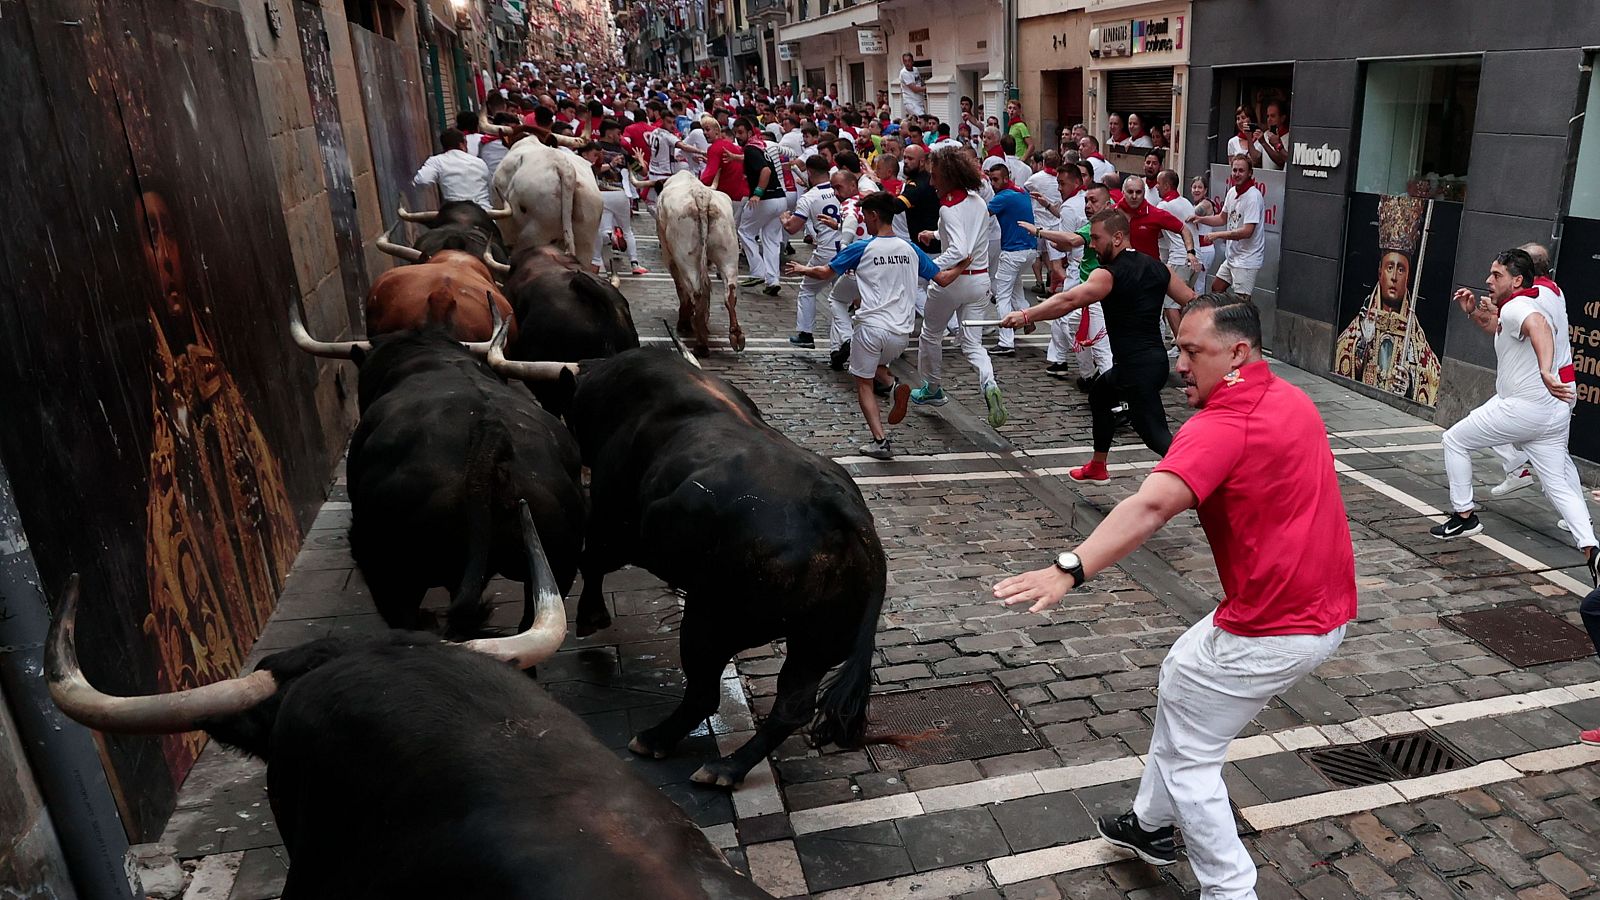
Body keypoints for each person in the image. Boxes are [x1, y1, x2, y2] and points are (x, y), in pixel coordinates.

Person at [993, 297, 1356, 900]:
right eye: (1179, 349)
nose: (1179, 365)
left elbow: (1151, 504)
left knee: (1192, 761)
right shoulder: (1290, 398)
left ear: (1238, 352)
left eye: (1192, 352)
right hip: (1317, 611)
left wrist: (1070, 567)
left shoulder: (1221, 424)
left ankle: (1230, 890)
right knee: (1182, 679)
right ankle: (1150, 824)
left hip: (1272, 626)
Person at [1430, 250, 1600, 586]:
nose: (1488, 281)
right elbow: (1502, 328)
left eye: (1496, 275)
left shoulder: (1521, 306)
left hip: (1523, 407)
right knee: (1559, 485)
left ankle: (1464, 516)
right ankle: (1592, 550)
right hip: (1552, 414)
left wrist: (1545, 371)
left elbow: (1538, 328)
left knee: (1455, 439)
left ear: (1517, 279)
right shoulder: (1526, 301)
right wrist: (1473, 313)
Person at [1001, 208, 1196, 481]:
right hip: (1151, 363)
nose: (1091, 245)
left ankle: (1204, 474)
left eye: (1096, 238)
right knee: (1101, 394)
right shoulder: (1158, 267)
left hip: (1136, 369)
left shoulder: (1108, 275)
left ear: (1117, 238)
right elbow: (1192, 301)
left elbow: (1068, 300)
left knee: (1156, 436)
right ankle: (1098, 464)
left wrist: (1025, 315)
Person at [786, 192, 966, 460]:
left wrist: (802, 269)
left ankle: (880, 440)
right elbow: (942, 278)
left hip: (871, 328)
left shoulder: (862, 247)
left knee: (863, 382)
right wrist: (964, 264)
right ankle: (894, 387)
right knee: (876, 364)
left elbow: (825, 273)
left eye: (865, 216)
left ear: (873, 215)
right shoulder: (910, 249)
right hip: (901, 334)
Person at [911, 147, 1008, 429]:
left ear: (948, 177)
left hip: (953, 281)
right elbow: (967, 234)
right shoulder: (977, 201)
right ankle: (989, 382)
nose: (932, 182)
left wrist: (930, 266)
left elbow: (959, 247)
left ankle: (932, 388)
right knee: (972, 343)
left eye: (935, 177)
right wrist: (935, 233)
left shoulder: (947, 207)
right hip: (979, 281)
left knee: (931, 334)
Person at [1331, 194, 1442, 404]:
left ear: (1408, 278)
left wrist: (1410, 381)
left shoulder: (1415, 339)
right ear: (1380, 272)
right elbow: (1341, 354)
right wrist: (1362, 346)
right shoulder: (1362, 324)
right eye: (1389, 267)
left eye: (1401, 270)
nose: (1393, 277)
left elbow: (1432, 375)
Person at [783, 156, 844, 348]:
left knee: (808, 289)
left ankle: (805, 333)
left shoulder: (809, 197)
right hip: (846, 247)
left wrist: (784, 219)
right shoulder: (844, 188)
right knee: (842, 297)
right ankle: (844, 339)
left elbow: (793, 228)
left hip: (826, 250)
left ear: (809, 173)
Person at [1190, 155, 1265, 301]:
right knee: (1216, 289)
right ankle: (1224, 321)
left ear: (1250, 173)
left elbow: (1247, 231)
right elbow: (1221, 218)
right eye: (1234, 170)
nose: (1237, 174)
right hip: (1232, 257)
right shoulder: (1232, 192)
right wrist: (1200, 219)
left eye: (1241, 171)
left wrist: (1218, 235)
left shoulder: (1253, 197)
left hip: (1247, 259)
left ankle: (1242, 322)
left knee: (1242, 301)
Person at [986, 163, 1037, 357]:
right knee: (1015, 289)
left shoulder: (1002, 197)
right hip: (1029, 250)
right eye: (991, 179)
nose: (993, 183)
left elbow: (980, 216)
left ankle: (1006, 341)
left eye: (996, 179)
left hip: (1013, 251)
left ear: (1006, 178)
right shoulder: (1021, 191)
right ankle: (1027, 317)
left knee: (1002, 296)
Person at [1156, 169, 1200, 353]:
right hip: (1195, 259)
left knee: (1170, 305)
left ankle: (1182, 345)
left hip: (1179, 259)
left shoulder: (1164, 206)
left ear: (1166, 185)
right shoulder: (1185, 202)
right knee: (1186, 303)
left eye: (1159, 183)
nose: (1156, 187)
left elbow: (1157, 232)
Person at [412, 129, 491, 208]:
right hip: (483, 209)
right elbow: (490, 188)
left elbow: (422, 181)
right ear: (462, 145)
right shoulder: (480, 162)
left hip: (454, 210)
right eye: (466, 143)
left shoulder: (436, 161)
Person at [1254, 100, 1289, 171]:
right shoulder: (1265, 134)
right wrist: (1249, 137)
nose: (1269, 119)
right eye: (1268, 116)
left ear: (1282, 118)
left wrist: (1264, 143)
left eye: (1273, 116)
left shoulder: (1290, 137)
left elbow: (1280, 162)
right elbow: (1255, 159)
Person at [898, 53, 927, 119]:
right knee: (922, 118)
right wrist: (928, 88)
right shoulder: (904, 73)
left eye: (909, 60)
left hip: (919, 100)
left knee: (920, 120)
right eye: (905, 61)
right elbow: (915, 89)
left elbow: (919, 81)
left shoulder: (915, 69)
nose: (907, 63)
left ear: (912, 61)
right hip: (910, 101)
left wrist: (925, 84)